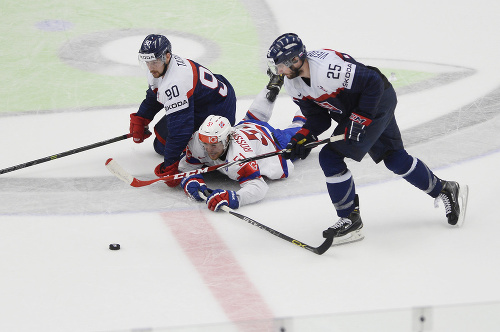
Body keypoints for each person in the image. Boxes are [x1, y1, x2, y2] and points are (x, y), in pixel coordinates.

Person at [266, 33, 469, 245]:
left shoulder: (327, 69)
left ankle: (349, 220)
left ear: (296, 60)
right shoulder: (293, 83)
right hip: (357, 109)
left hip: (375, 102)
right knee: (394, 158)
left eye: (281, 65)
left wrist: (361, 118)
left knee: (330, 156)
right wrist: (302, 137)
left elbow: (373, 82)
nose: (278, 71)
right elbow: (318, 118)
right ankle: (446, 189)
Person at [129, 34, 237, 187]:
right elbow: (156, 95)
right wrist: (142, 118)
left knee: (174, 148)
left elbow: (181, 130)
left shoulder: (177, 82)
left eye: (154, 62)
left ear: (167, 57)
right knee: (160, 142)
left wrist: (171, 165)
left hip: (217, 108)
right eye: (147, 61)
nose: (150, 66)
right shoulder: (160, 68)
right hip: (201, 100)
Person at [176, 88, 305, 212]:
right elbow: (186, 166)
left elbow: (258, 186)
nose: (209, 149)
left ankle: (314, 103)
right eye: (205, 144)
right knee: (252, 118)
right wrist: (191, 179)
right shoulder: (199, 141)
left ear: (226, 140)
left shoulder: (239, 157)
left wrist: (234, 198)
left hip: (273, 141)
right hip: (246, 127)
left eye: (214, 145)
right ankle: (270, 90)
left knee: (302, 128)